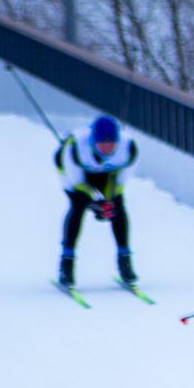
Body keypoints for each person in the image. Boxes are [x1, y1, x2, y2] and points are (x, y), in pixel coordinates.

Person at [54, 113, 140, 289]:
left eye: (112, 144)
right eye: (102, 144)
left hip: (108, 175)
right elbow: (78, 183)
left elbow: (119, 184)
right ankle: (67, 263)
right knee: (77, 206)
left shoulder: (129, 148)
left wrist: (107, 202)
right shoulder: (76, 147)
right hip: (73, 172)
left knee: (117, 206)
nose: (107, 149)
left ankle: (125, 260)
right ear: (93, 141)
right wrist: (94, 203)